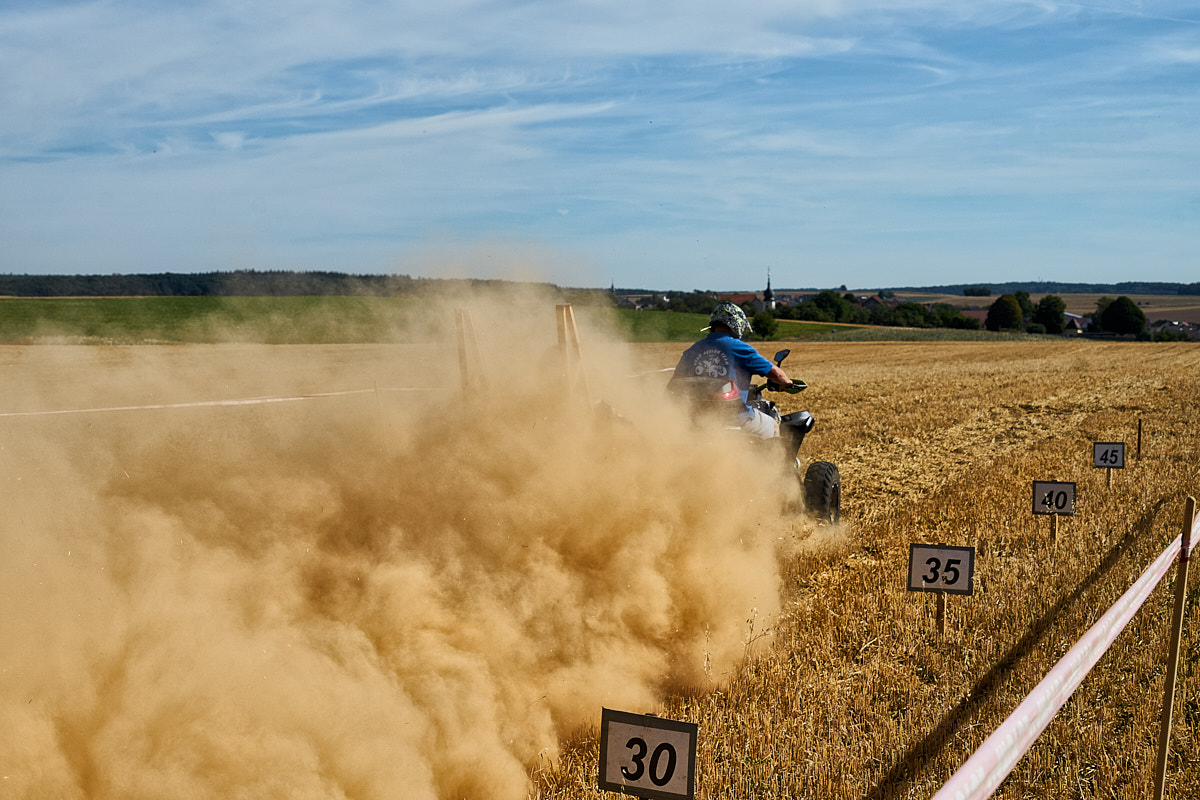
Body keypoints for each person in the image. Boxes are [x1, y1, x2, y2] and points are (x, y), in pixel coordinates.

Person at [672, 302, 795, 438]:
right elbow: (776, 374)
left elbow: (675, 384)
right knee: (773, 425)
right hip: (736, 417)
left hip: (698, 419)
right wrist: (786, 382)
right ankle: (773, 460)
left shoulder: (692, 350)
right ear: (737, 323)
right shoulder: (739, 348)